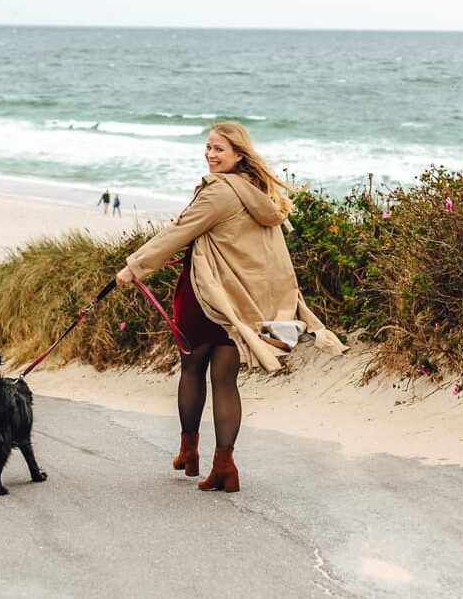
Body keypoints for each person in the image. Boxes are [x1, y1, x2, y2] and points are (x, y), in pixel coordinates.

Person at [114, 121, 345, 493]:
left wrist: (133, 267)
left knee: (192, 371)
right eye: (208, 147)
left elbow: (177, 233)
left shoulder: (218, 192)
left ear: (239, 154)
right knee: (225, 382)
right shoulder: (258, 192)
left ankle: (190, 452)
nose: (210, 154)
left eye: (219, 149)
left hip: (205, 296)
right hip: (239, 301)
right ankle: (225, 465)